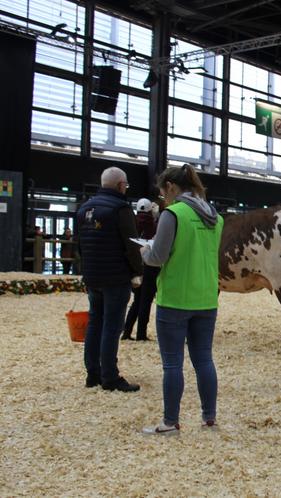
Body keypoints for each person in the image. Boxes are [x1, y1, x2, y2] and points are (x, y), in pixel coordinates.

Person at [141, 164, 224, 435]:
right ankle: (209, 418)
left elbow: (158, 257)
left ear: (171, 188)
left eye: (162, 191)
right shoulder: (215, 217)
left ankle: (170, 422)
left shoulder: (173, 214)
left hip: (175, 297)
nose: (162, 197)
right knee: (204, 360)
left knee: (173, 363)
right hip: (206, 298)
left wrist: (145, 251)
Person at [76, 166, 143, 392]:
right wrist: (138, 272)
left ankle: (92, 374)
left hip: (93, 276)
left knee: (95, 323)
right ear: (120, 185)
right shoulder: (120, 209)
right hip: (116, 277)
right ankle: (110, 377)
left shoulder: (85, 207)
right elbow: (131, 245)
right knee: (112, 327)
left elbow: (80, 246)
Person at [122, 198, 160, 341]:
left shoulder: (132, 223)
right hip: (151, 267)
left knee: (137, 300)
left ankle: (126, 331)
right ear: (151, 210)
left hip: (136, 267)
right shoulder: (154, 225)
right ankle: (141, 334)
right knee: (146, 301)